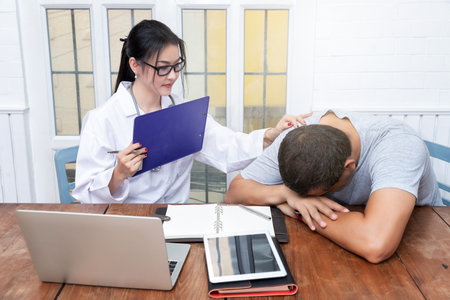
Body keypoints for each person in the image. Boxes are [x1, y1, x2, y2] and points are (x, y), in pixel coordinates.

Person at [72, 19, 309, 204]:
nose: (173, 75)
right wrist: (118, 174)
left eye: (177, 66)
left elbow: (226, 147)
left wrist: (270, 135)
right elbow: (85, 194)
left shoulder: (183, 112)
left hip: (177, 220)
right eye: (163, 68)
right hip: (132, 223)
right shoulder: (103, 119)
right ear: (135, 65)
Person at [225, 110, 442, 263]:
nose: (303, 198)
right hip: (344, 235)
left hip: (425, 240)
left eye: (317, 194)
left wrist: (298, 209)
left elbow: (376, 244)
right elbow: (235, 192)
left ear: (350, 166)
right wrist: (285, 193)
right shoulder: (297, 137)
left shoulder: (398, 146)